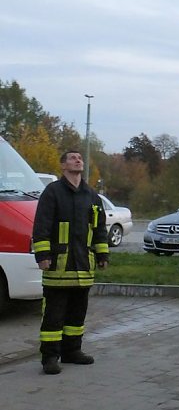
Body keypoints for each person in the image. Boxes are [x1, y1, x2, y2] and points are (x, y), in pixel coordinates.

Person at [32, 150, 109, 375]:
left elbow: (100, 228)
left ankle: (72, 351)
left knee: (77, 313)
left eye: (80, 158)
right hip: (58, 265)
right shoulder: (53, 192)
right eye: (73, 158)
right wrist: (42, 255)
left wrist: (103, 255)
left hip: (83, 266)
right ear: (63, 165)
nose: (78, 160)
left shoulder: (91, 195)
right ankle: (50, 357)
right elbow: (41, 225)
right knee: (54, 314)